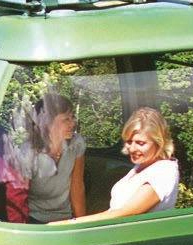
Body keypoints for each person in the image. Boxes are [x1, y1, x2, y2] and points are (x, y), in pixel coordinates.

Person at [10, 92, 88, 223]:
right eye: (66, 119)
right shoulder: (27, 153)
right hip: (34, 219)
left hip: (66, 218)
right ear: (47, 123)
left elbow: (77, 188)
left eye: (72, 117)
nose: (73, 123)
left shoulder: (76, 144)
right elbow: (17, 200)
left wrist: (83, 226)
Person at [92, 106, 179, 219]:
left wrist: (70, 223)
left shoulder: (163, 172)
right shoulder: (141, 167)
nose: (132, 149)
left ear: (159, 142)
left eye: (140, 143)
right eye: (129, 142)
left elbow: (122, 214)